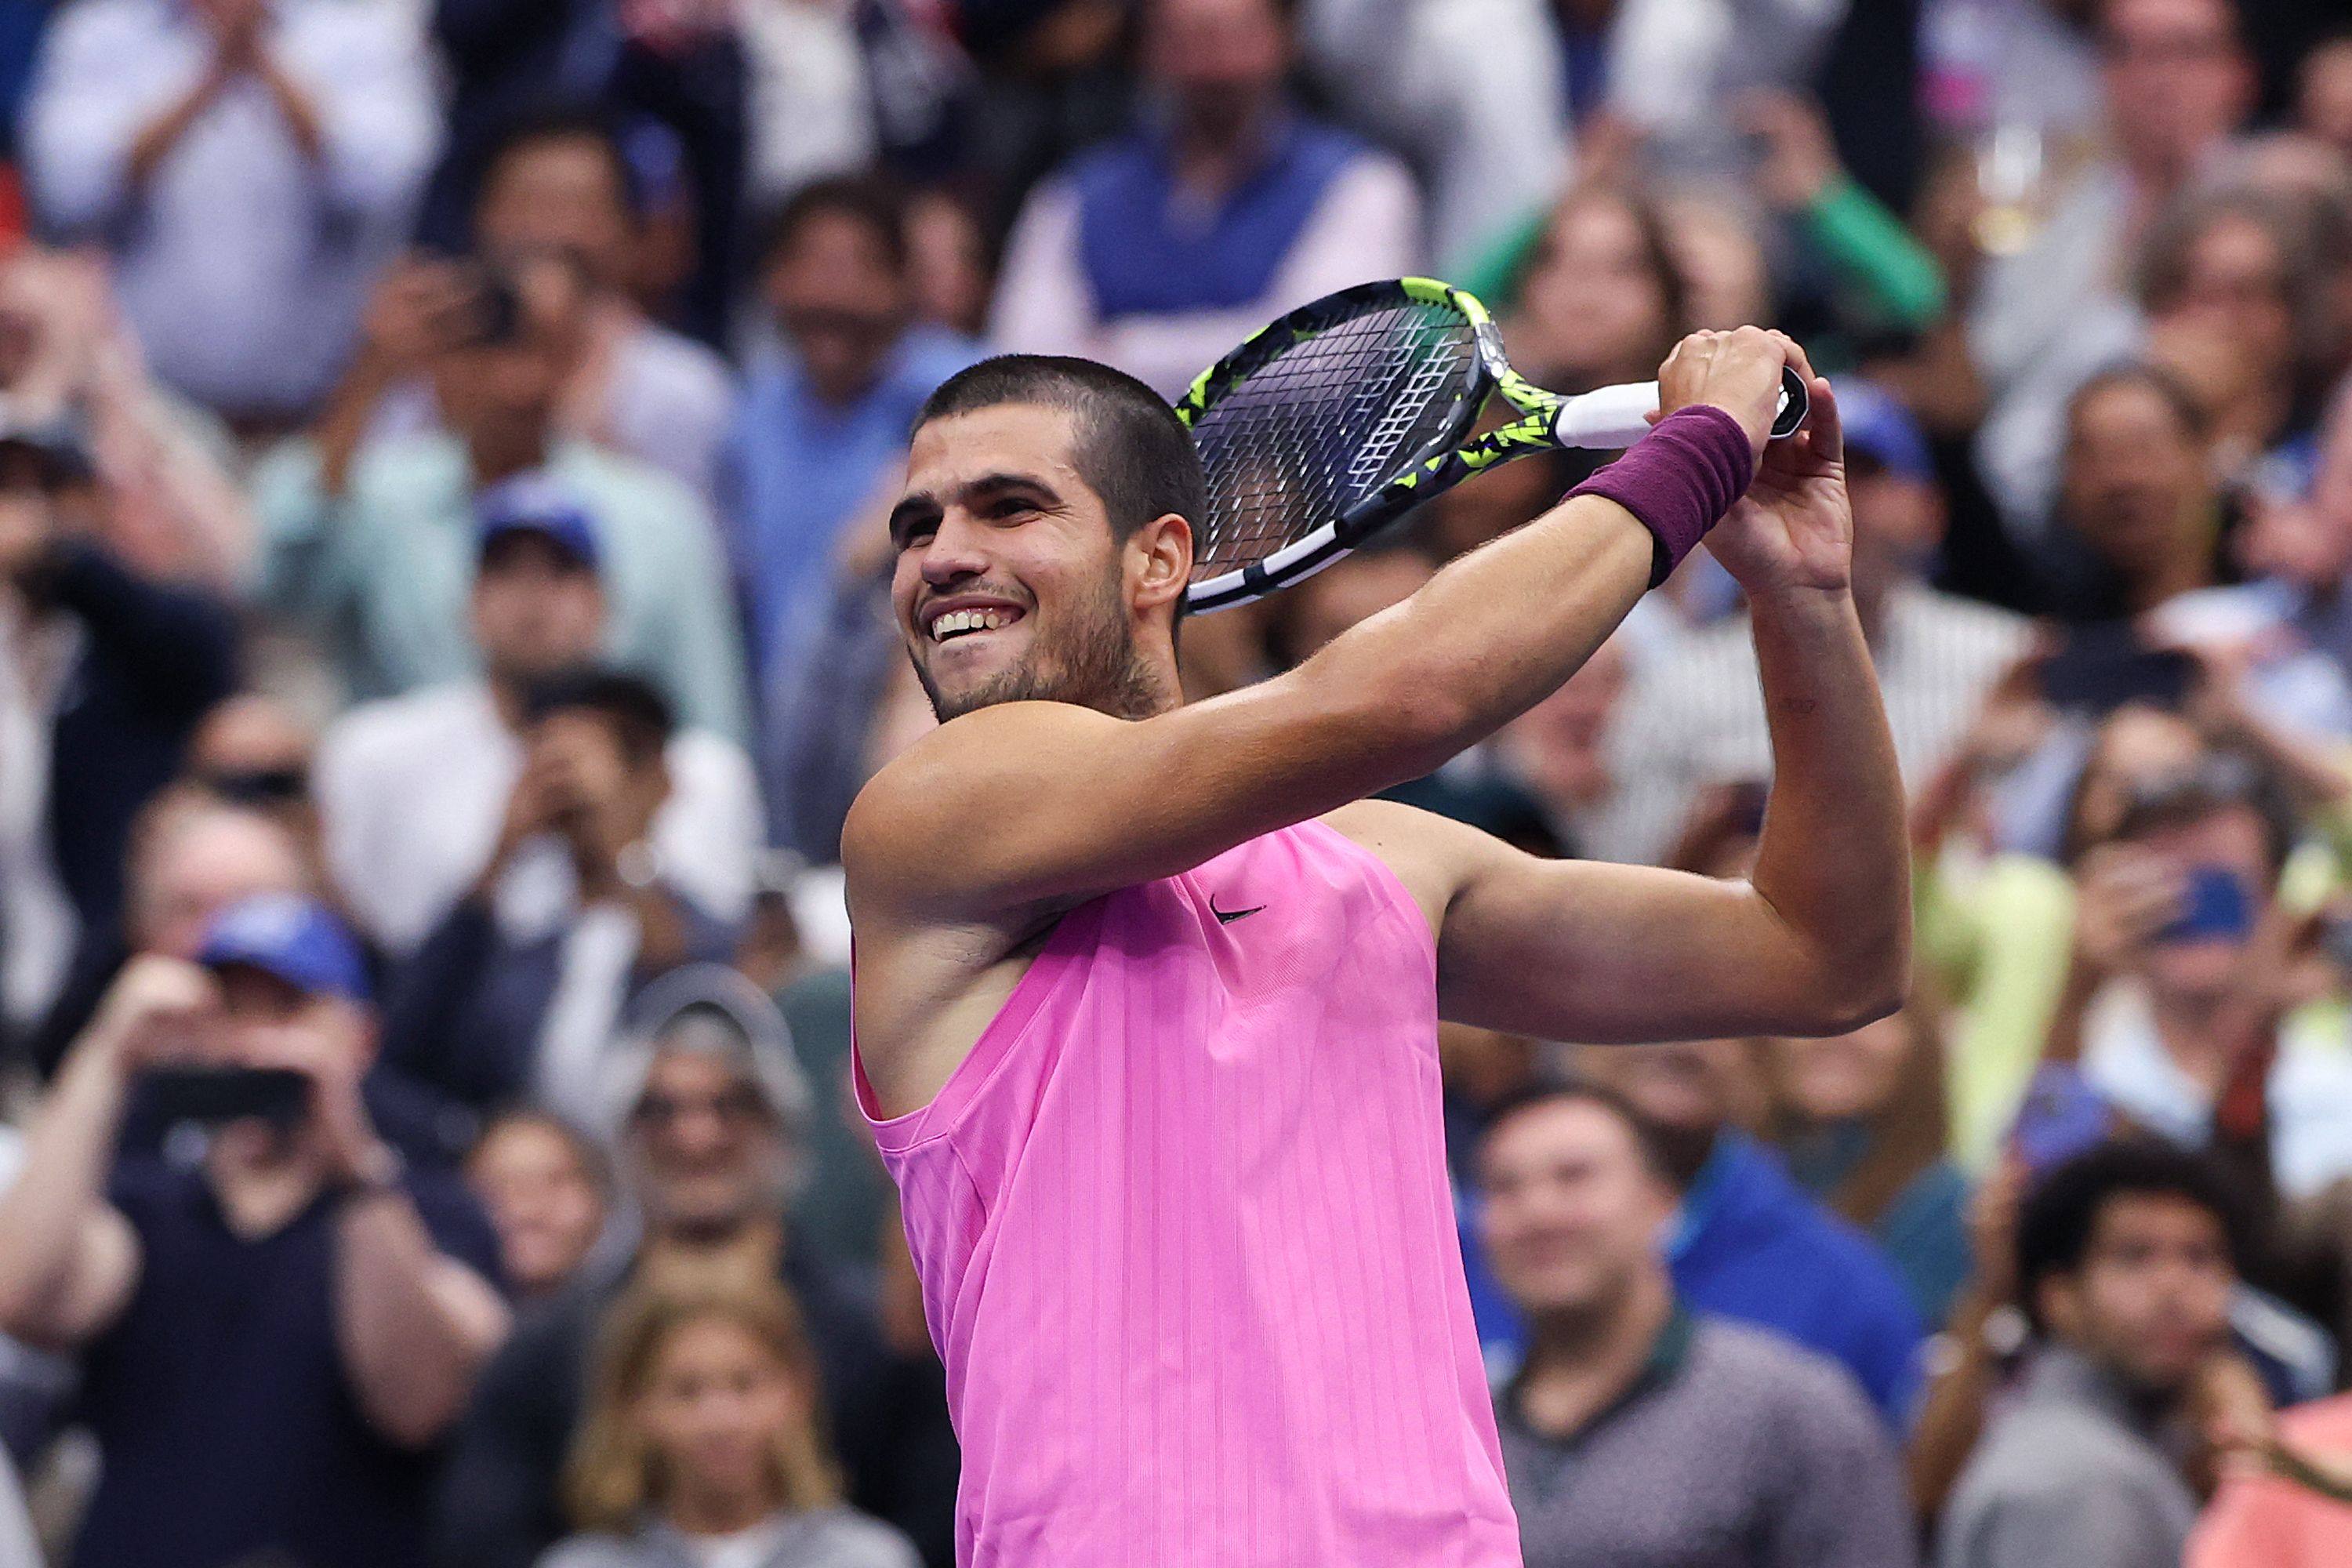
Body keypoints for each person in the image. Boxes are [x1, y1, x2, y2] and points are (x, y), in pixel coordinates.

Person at [846, 323, 1909, 1564]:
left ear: (1159, 561)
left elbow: (1826, 957)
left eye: (1007, 507)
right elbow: (1411, 696)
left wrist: (1803, 595)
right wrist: (1702, 447)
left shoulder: (1384, 863)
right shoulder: (930, 818)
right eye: (915, 528)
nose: (943, 558)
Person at [0, 892, 509, 1568]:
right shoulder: (150, 1202)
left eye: (287, 1010)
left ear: (360, 1036)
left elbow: (419, 1400)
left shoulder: (431, 1208)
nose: (251, 1041)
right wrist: (109, 1049)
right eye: (230, 1011)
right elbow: (22, 1289)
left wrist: (354, 1167)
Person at [437, 965, 951, 1568]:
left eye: (731, 1104)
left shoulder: (880, 1337)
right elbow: (482, 1541)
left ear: (780, 1121)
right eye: (661, 1110)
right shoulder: (542, 1354)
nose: (697, 1136)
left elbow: (942, 1528)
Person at [252, 254, 751, 740]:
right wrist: (370, 373)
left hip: (608, 814)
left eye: (541, 347)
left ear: (576, 359)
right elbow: (284, 594)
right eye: (489, 346)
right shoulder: (372, 494)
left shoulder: (659, 518)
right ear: (440, 358)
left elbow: (711, 734)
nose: (516, 381)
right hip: (411, 807)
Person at [1475, 1079, 1918, 1568]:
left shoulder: (1790, 1411)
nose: (1539, 1212)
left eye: (1575, 1177)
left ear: (1661, 1204)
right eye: (1505, 1188)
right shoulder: (1466, 1433)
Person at [313, 477, 758, 955]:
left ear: (602, 604)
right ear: (470, 602)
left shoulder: (700, 770)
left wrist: (618, 843)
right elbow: (381, 970)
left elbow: (712, 979)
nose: (534, 597)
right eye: (507, 571)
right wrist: (505, 847)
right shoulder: (376, 752)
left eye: (560, 573)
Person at [1604, 381, 2031, 862]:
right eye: (1795, 471)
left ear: (1930, 510)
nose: (1834, 499)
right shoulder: (1678, 684)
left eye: (1863, 473)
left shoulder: (2005, 657)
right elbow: (1624, 881)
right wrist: (1711, 833)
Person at [19, 0, 438, 426]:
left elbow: (380, 189)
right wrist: (210, 77)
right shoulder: (103, 31)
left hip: (324, 422)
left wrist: (262, 60)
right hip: (146, 426)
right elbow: (68, 194)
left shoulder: (360, 33)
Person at [989, 0, 1421, 397]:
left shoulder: (1364, 183)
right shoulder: (1074, 195)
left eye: (1234, 35)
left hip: (1306, 472)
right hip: (1114, 471)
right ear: (1146, 49)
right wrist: (1248, 337)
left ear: (1287, 39)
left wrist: (1120, 346)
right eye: (1186, 37)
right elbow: (1023, 365)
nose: (1214, 65)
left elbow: (1325, 358)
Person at [377, 668, 747, 1128]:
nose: (571, 780)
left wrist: (621, 842)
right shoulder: (512, 942)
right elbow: (411, 1046)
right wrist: (501, 850)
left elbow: (694, 992)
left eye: (612, 756)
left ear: (661, 782)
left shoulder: (713, 924)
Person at [0, 410, 239, 1032]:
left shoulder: (134, 647)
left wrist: (58, 558)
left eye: (51, 488)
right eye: (5, 488)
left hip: (111, 1000)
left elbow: (198, 649)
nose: (24, 513)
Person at [1581, 1036, 1929, 1422]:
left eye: (1713, 1021)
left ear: (1760, 1060)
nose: (1678, 1041)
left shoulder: (1848, 1291)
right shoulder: (1505, 1242)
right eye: (1644, 1006)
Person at [1936, 1138, 2243, 1568]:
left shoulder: (2143, 1451)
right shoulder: (2075, 1485)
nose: (2175, 1288)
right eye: (2135, 1257)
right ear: (2058, 1295)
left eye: (2199, 1258)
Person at [724, 177, 980, 676]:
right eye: (810, 265)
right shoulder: (751, 419)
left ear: (906, 281)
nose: (831, 295)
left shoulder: (963, 391)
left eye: (859, 267)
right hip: (788, 709)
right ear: (772, 279)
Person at [541, 1276, 921, 1568]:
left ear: (798, 1391)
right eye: (686, 1391)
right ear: (634, 1405)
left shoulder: (866, 1559)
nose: (721, 1421)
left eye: (746, 1385)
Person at [1762, 998, 1974, 1328]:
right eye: (1808, 1009)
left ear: (1921, 1045)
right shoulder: (1727, 1175)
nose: (1837, 1033)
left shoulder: (1948, 1205)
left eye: (1874, 1015)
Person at [466, 1109, 612, 1305]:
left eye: (555, 1183)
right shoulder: (437, 1326)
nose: (527, 1212)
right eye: (498, 1188)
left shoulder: (644, 1319)